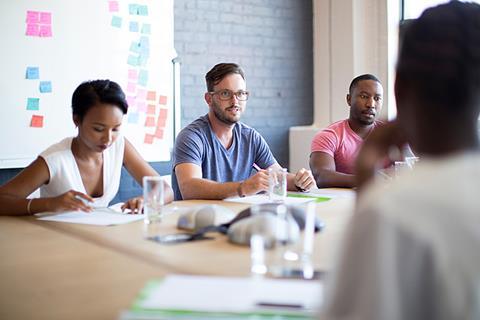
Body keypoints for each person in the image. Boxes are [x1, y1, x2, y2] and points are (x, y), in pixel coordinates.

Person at [320, 2, 480, 320]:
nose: (369, 103)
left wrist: (371, 193)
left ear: (398, 89)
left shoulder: (393, 210)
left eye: (375, 97)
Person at [0, 80, 173, 216]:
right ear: (76, 120)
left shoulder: (119, 145)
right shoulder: (55, 159)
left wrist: (147, 200)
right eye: (98, 129)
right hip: (55, 243)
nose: (108, 138)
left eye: (116, 128)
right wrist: (50, 203)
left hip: (99, 239)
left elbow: (164, 190)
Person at [172, 63, 315, 200]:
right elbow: (189, 188)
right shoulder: (191, 137)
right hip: (197, 221)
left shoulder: (250, 137)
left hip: (236, 218)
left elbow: (277, 176)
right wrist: (242, 188)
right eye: (226, 94)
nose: (235, 102)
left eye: (240, 93)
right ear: (209, 99)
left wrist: (299, 181)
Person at [309, 74, 384, 188]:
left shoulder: (391, 135)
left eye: (377, 98)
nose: (371, 104)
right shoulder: (329, 135)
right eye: (364, 96)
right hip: (342, 203)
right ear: (349, 99)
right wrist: (371, 180)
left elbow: (410, 166)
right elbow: (321, 176)